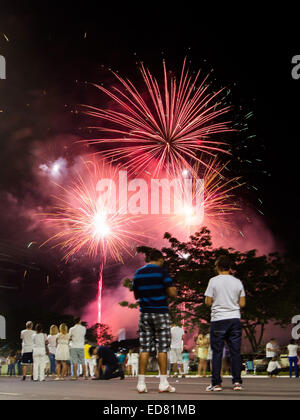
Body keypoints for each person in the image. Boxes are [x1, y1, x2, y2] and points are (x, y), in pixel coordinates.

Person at [132, 249, 177, 393]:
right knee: (162, 348)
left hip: (144, 313)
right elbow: (172, 293)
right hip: (161, 313)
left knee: (144, 348)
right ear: (160, 259)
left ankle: (141, 384)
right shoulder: (162, 272)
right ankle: (163, 383)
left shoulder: (138, 273)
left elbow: (136, 295)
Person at [205, 255, 246, 392]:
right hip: (234, 319)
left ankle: (216, 383)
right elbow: (242, 303)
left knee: (217, 352)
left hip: (218, 320)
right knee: (235, 352)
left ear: (218, 267)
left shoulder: (213, 281)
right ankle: (237, 382)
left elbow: (208, 301)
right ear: (229, 267)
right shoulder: (237, 282)